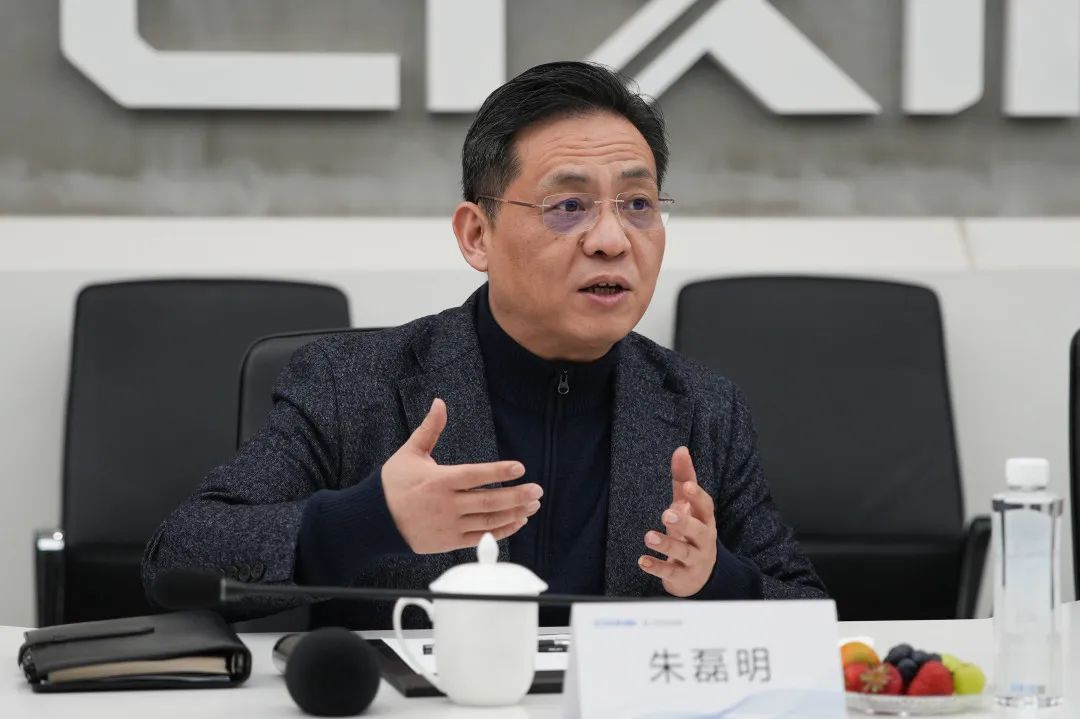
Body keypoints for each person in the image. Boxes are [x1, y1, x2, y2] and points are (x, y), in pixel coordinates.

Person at [143, 61, 826, 629]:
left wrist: (715, 577)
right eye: (569, 206)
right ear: (477, 235)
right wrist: (370, 519)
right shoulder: (350, 385)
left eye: (638, 204)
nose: (612, 239)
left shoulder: (703, 407)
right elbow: (177, 562)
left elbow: (811, 613)